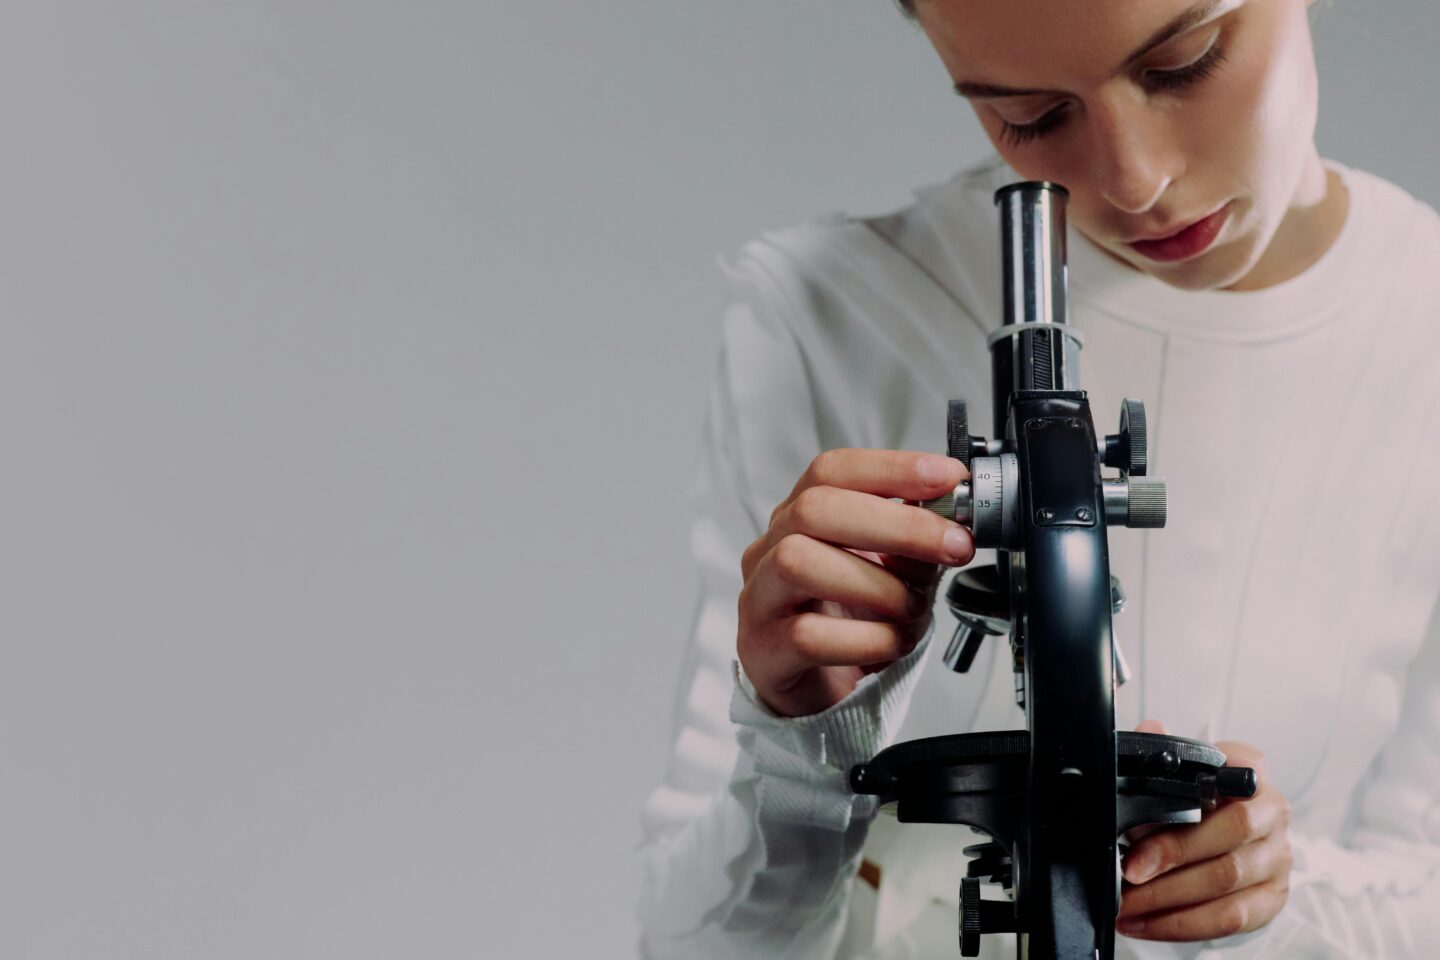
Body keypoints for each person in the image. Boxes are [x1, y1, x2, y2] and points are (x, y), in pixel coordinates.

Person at [636, 0, 1440, 956]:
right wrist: (802, 751)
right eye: (1031, 116)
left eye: (1184, 62)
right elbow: (689, 944)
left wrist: (1272, 892)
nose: (1137, 182)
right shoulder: (826, 316)